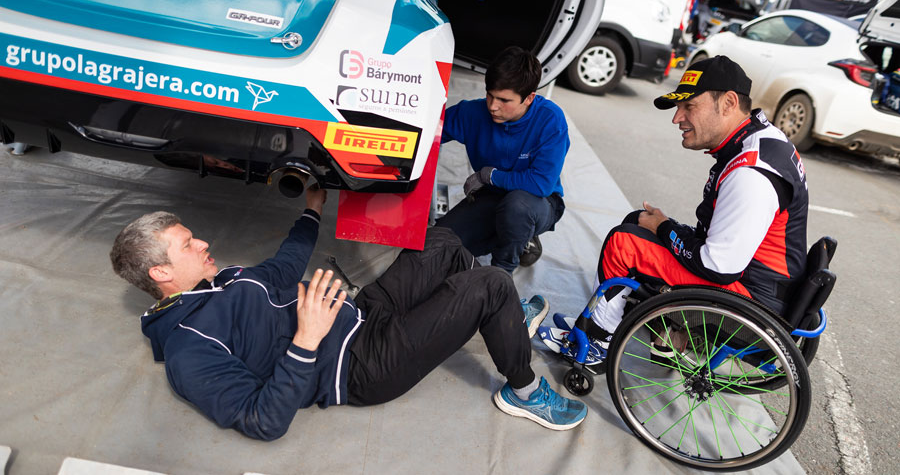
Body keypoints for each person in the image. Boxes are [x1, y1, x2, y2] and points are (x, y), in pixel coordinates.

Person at [109, 186, 586, 441]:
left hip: (360, 315)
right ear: (160, 272)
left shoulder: (223, 278)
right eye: (189, 245)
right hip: (358, 366)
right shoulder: (189, 349)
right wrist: (306, 341)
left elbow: (283, 266)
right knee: (490, 283)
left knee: (440, 242)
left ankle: (501, 322)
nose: (204, 244)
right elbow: (263, 421)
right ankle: (523, 390)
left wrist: (312, 210)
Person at [540, 55, 809, 371]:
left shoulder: (751, 173)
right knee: (637, 223)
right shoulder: (764, 138)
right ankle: (635, 328)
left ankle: (598, 344)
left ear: (728, 103)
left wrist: (666, 228)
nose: (676, 118)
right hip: (761, 284)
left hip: (749, 306)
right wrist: (663, 228)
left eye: (689, 107)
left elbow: (718, 266)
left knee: (625, 241)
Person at [436, 45, 569, 274]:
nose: (492, 106)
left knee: (517, 208)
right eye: (489, 95)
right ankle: (511, 234)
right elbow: (428, 133)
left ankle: (501, 274)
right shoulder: (473, 113)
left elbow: (541, 183)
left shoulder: (550, 120)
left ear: (529, 98)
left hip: (539, 201)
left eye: (504, 100)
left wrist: (489, 175)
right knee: (438, 245)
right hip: (492, 196)